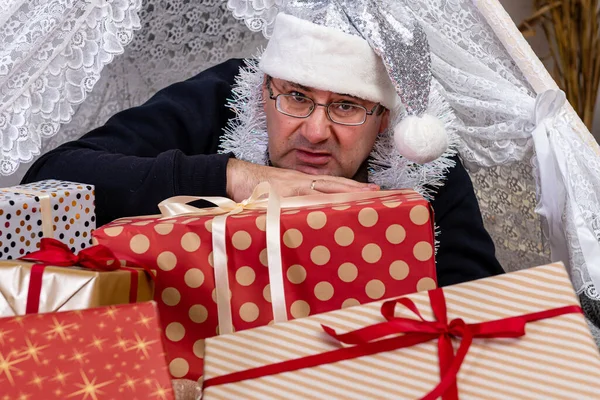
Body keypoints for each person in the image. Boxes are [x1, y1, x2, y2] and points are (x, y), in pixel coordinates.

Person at [21, 2, 504, 287]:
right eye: (296, 96)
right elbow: (50, 179)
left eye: (346, 106)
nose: (315, 132)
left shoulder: (419, 157)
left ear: (386, 120)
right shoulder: (222, 97)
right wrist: (235, 174)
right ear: (264, 89)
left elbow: (478, 298)